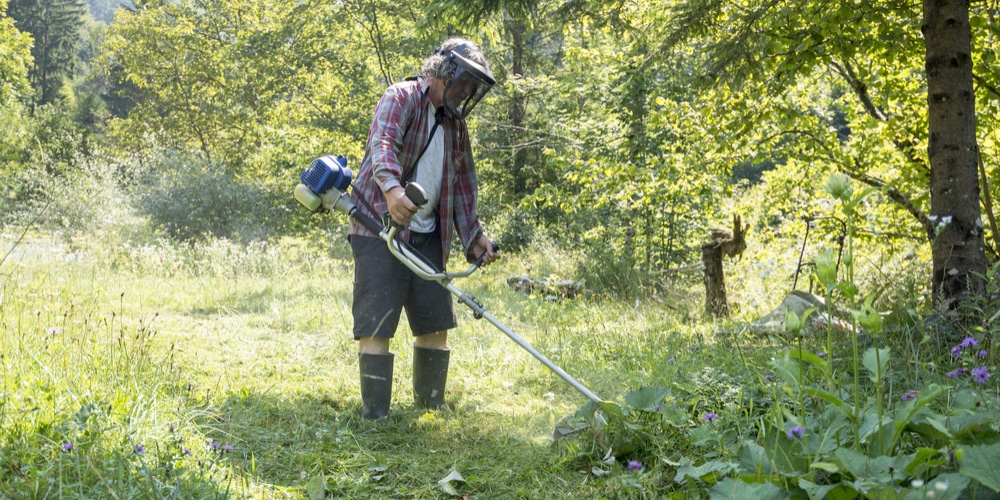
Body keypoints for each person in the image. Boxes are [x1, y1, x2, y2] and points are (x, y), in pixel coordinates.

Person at [348, 37, 500, 420]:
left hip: (429, 234)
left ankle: (431, 405)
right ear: (445, 71)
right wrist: (393, 190)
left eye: (473, 86)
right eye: (466, 81)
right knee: (377, 321)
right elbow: (381, 145)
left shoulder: (456, 125)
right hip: (378, 227)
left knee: (435, 320)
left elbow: (463, 185)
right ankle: (376, 415)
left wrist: (474, 236)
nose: (468, 91)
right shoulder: (401, 97)